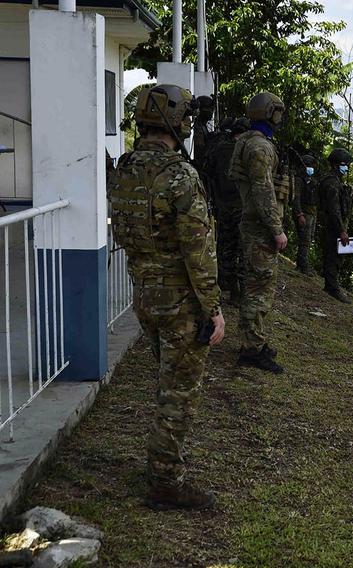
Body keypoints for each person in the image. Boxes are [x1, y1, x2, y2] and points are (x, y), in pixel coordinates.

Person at [109, 84, 224, 510]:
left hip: (145, 294)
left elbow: (124, 233)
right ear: (179, 123)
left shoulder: (124, 169)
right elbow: (199, 251)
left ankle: (162, 464)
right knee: (178, 393)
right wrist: (212, 309)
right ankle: (165, 481)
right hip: (180, 302)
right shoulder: (181, 176)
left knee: (168, 383)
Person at [229, 91, 289, 373]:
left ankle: (254, 340)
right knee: (258, 289)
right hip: (259, 227)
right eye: (278, 112)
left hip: (254, 224)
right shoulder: (259, 148)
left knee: (257, 287)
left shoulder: (250, 142)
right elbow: (263, 190)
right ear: (270, 113)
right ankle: (252, 349)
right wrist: (276, 229)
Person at [205, 117, 249, 305]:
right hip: (240, 206)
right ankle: (238, 292)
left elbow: (208, 173)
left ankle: (226, 286)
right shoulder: (246, 151)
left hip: (222, 205)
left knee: (225, 246)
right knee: (241, 248)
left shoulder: (218, 148)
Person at [317, 147, 353, 303]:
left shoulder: (334, 181)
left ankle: (330, 284)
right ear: (336, 165)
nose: (346, 168)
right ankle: (332, 287)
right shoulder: (332, 184)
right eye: (344, 165)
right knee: (334, 256)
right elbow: (334, 210)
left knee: (333, 255)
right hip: (332, 226)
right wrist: (341, 230)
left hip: (331, 225)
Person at [291, 149, 319, 276]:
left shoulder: (311, 180)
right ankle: (302, 265)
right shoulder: (299, 180)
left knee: (308, 239)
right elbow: (295, 198)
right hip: (304, 213)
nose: (312, 168)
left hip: (312, 213)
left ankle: (303, 263)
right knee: (304, 240)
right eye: (309, 166)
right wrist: (299, 214)